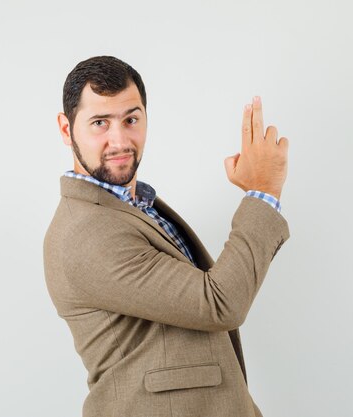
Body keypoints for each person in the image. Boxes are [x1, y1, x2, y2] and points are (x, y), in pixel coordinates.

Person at [43, 55, 290, 417]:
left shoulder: (133, 207)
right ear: (67, 129)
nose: (120, 139)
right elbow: (219, 303)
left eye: (131, 119)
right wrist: (262, 191)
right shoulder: (87, 233)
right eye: (100, 123)